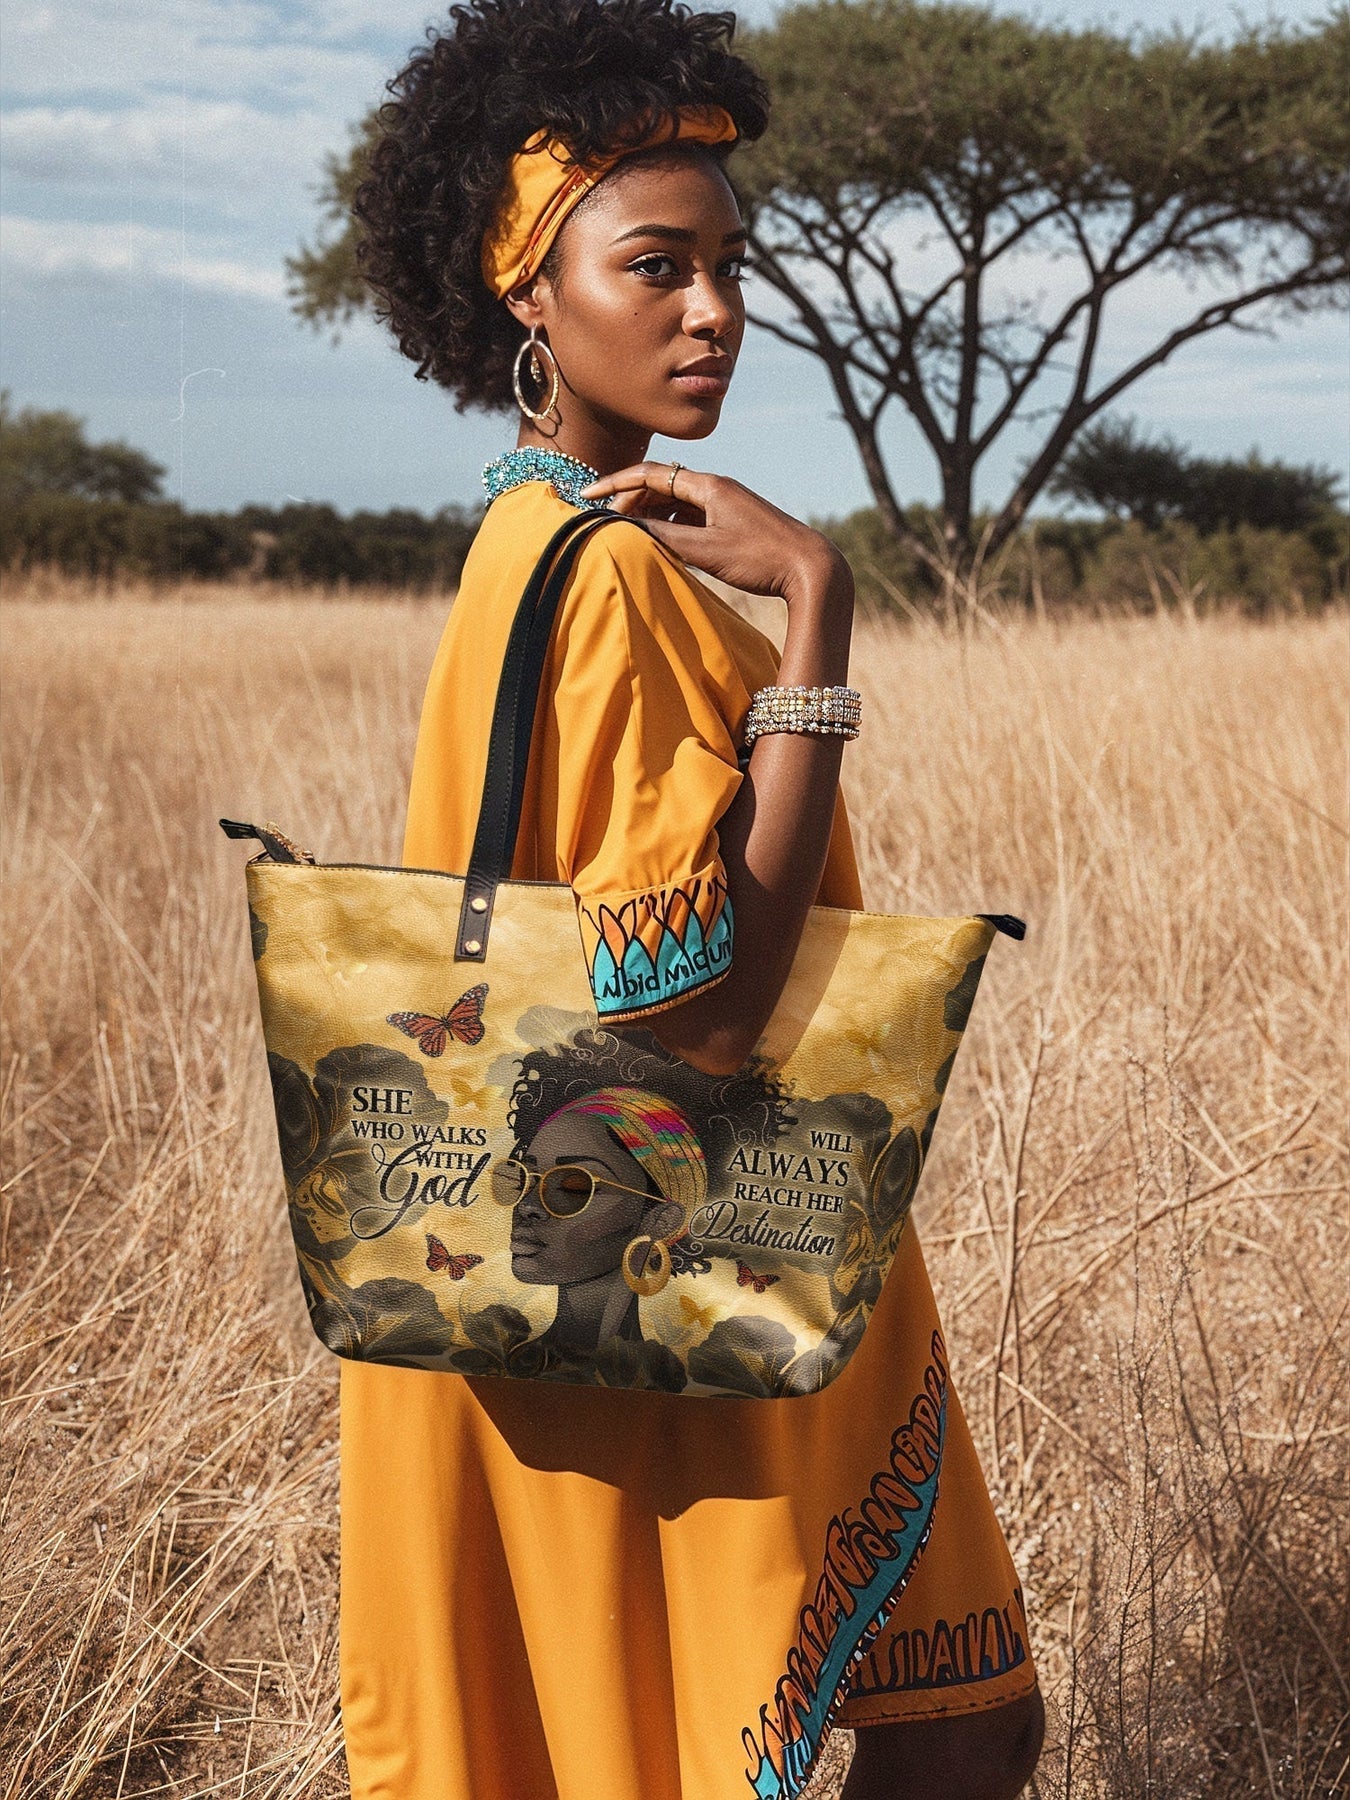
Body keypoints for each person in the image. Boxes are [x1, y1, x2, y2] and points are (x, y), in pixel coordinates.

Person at [341, 2, 1045, 1795]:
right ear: (528, 291)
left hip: (560, 1239)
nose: (712, 310)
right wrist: (813, 603)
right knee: (960, 1732)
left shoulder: (521, 538)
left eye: (729, 267)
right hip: (703, 1229)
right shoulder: (602, 580)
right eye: (653, 266)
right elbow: (709, 1017)